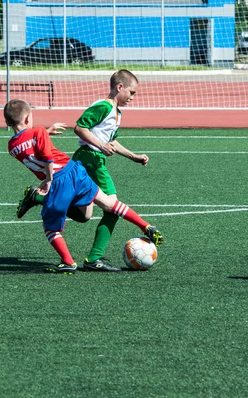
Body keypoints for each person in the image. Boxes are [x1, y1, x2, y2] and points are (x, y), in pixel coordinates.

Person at [5, 98, 163, 274]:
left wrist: (44, 135)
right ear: (27, 118)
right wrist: (48, 177)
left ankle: (67, 261)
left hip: (60, 182)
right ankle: (145, 225)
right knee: (108, 204)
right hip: (72, 172)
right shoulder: (39, 132)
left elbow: (30, 147)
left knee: (54, 226)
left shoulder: (11, 147)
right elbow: (48, 158)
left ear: (7, 122)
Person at [69, 69, 151, 272]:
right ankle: (94, 258)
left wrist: (134, 156)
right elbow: (80, 127)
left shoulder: (118, 113)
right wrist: (100, 145)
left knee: (85, 215)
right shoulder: (103, 106)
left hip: (93, 159)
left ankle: (42, 198)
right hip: (90, 158)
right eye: (131, 92)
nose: (133, 97)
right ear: (119, 87)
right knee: (113, 208)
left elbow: (111, 140)